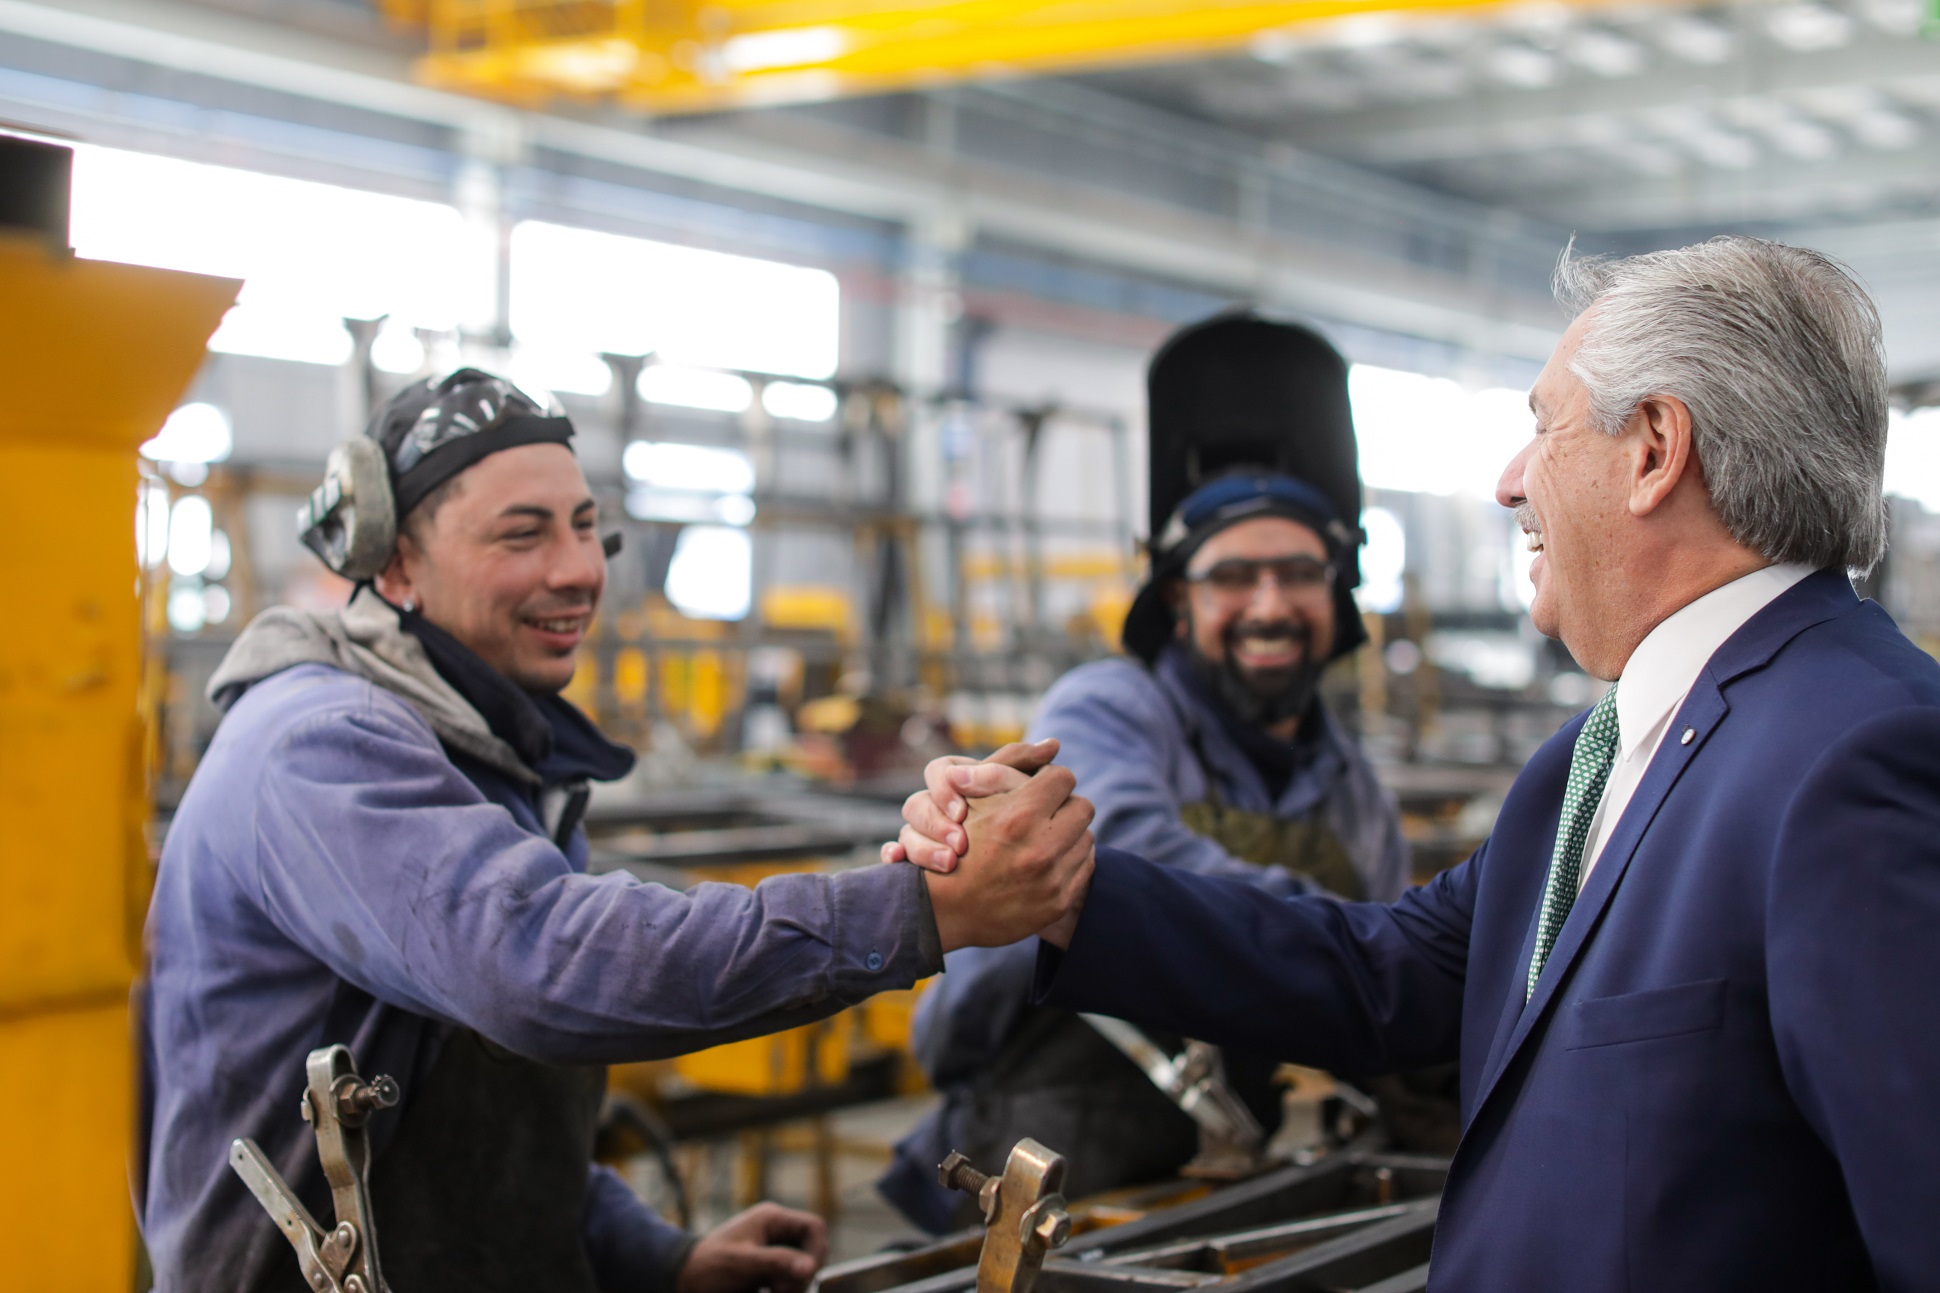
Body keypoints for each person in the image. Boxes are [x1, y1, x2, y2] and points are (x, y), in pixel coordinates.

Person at [890, 237, 1940, 1289]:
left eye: (1542, 426)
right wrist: (1061, 891)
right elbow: (1384, 974)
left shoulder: (1856, 755)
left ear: (1654, 449)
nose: (1507, 483)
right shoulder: (1595, 754)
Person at [138, 369, 1098, 1292]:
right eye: (522, 535)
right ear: (395, 560)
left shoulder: (490, 751)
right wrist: (917, 907)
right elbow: (538, 967)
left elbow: (462, 1124)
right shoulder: (320, 747)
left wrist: (652, 1257)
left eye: (586, 526)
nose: (577, 570)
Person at [882, 317, 1410, 1230]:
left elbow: (1397, 978)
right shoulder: (1108, 707)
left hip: (1233, 1170)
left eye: (1299, 572)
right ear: (1177, 597)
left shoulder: (1352, 788)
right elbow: (1114, 853)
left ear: (1339, 589)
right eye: (1234, 577)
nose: (1270, 604)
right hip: (1031, 1150)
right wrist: (1357, 950)